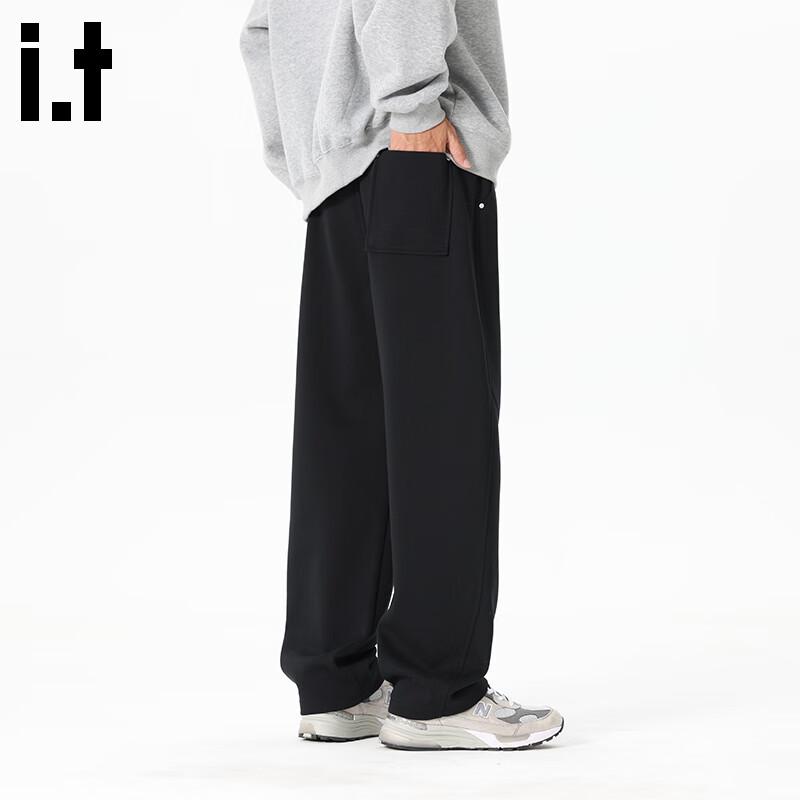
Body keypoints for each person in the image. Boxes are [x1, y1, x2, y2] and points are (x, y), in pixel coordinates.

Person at [241, 0, 563, 751]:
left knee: (347, 432)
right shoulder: (410, 122)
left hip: (336, 178)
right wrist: (414, 108)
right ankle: (437, 691)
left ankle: (337, 683)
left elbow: (262, 32)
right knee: (442, 430)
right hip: (411, 152)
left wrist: (308, 157)